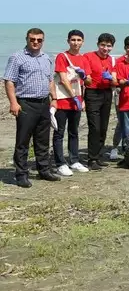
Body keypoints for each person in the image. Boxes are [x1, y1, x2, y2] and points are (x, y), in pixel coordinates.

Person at [4, 28, 60, 187]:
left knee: (42, 140)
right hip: (26, 103)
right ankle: (21, 174)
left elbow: (50, 81)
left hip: (44, 103)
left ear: (43, 41)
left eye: (39, 40)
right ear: (27, 39)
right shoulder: (17, 57)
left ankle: (44, 170)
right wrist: (13, 102)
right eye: (32, 39)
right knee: (23, 141)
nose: (35, 42)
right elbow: (9, 81)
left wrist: (54, 98)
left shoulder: (46, 58)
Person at [52, 29, 91, 176]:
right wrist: (73, 95)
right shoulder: (62, 57)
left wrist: (84, 76)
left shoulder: (83, 59)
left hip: (77, 101)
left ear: (82, 42)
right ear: (68, 41)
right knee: (59, 132)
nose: (76, 43)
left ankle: (74, 160)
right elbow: (63, 79)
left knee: (74, 132)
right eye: (73, 40)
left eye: (78, 40)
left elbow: (87, 80)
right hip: (63, 100)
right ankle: (60, 163)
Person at [83, 33, 116, 170]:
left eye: (108, 46)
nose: (105, 48)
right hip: (92, 93)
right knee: (94, 127)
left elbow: (114, 80)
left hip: (106, 93)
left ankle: (98, 156)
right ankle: (91, 159)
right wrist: (85, 77)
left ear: (112, 47)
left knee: (103, 127)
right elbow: (87, 78)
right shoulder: (88, 56)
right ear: (98, 44)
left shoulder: (111, 60)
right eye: (103, 45)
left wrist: (111, 79)